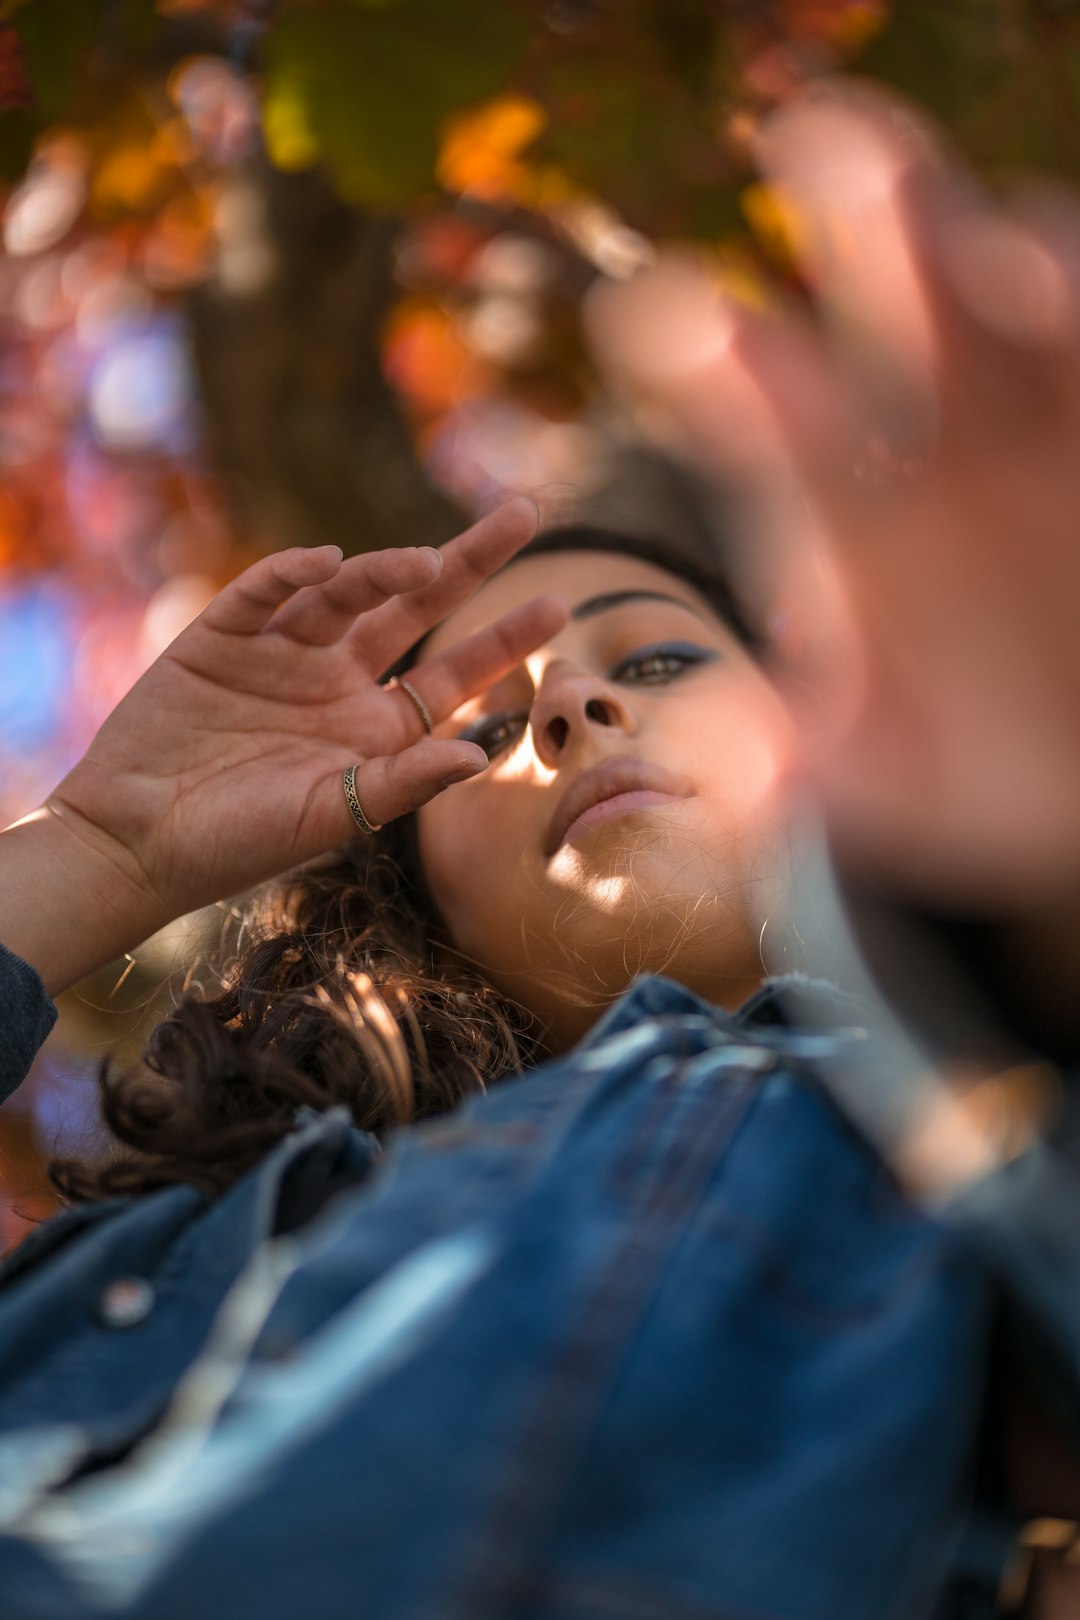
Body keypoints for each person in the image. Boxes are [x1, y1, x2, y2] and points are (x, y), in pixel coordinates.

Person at [2, 84, 1080, 1620]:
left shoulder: (991, 1149)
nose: (568, 700)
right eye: (480, 724)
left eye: (654, 667)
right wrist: (98, 851)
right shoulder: (182, 1232)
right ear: (413, 888)